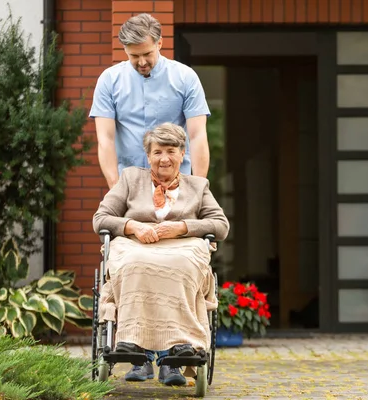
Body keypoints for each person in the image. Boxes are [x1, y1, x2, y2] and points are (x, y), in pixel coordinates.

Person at [92, 123, 229, 386]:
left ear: (182, 153)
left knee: (180, 265)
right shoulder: (131, 179)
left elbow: (221, 225)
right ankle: (133, 346)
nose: (164, 158)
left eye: (170, 151)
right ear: (148, 155)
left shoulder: (198, 186)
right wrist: (133, 226)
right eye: (157, 152)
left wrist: (182, 227)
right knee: (134, 263)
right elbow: (101, 218)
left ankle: (178, 348)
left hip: (182, 247)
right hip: (135, 244)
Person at [89, 13, 210, 189]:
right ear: (125, 49)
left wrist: (197, 190)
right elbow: (105, 139)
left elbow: (197, 136)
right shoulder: (109, 80)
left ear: (159, 43)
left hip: (177, 184)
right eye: (134, 56)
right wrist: (116, 189)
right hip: (129, 184)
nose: (142, 62)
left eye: (147, 53)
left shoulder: (185, 78)